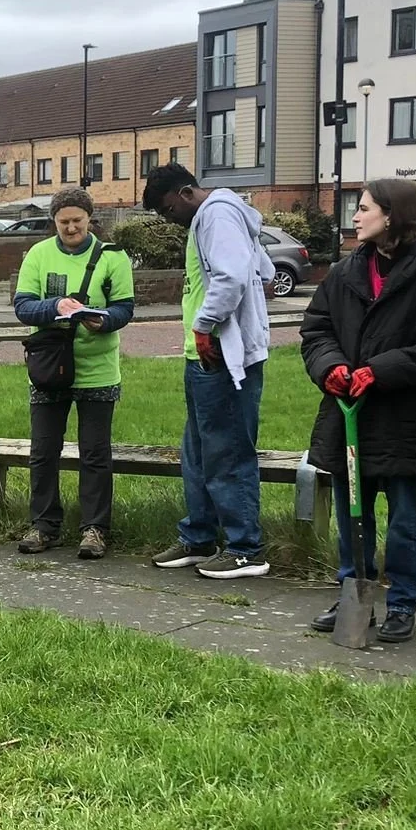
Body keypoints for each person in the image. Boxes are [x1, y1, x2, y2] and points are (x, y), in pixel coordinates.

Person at [300, 180, 416, 644]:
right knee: (352, 510)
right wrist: (330, 367)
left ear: (392, 215)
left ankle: (401, 602)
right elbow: (316, 328)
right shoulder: (344, 273)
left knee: (404, 515)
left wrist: (379, 370)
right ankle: (354, 591)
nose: (355, 217)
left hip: (407, 420)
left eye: (363, 208)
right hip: (350, 416)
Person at [142, 162, 275, 580]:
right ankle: (199, 537)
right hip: (201, 357)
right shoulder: (216, 217)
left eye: (168, 211)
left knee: (228, 451)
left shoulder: (216, 214)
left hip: (220, 356)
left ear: (185, 193)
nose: (169, 220)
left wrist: (206, 325)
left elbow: (234, 275)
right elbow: (266, 274)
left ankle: (244, 549)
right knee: (198, 451)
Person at [12, 186, 135, 558]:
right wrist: (55, 306)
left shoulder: (113, 258)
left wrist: (105, 319)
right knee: (43, 451)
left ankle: (94, 530)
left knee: (95, 453)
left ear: (89, 219)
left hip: (97, 369)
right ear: (54, 222)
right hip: (49, 369)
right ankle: (43, 526)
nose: (70, 229)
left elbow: (126, 308)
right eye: (63, 222)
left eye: (76, 221)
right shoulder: (37, 254)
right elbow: (23, 307)